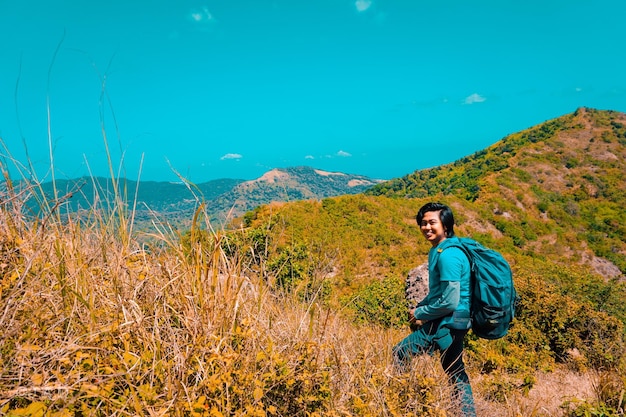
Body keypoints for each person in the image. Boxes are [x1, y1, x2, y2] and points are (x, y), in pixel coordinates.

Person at [392, 202, 477, 417]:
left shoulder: (449, 255)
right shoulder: (439, 250)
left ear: (445, 226)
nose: (427, 227)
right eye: (423, 223)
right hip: (456, 320)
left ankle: (403, 402)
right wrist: (423, 305)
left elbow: (449, 300)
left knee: (400, 352)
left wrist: (420, 313)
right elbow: (438, 290)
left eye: (432, 222)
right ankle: (466, 413)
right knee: (455, 370)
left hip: (448, 322)